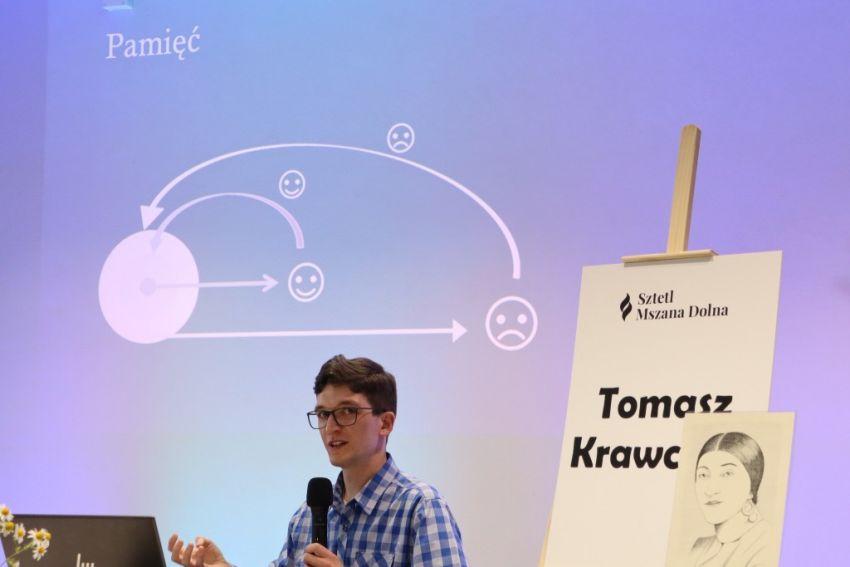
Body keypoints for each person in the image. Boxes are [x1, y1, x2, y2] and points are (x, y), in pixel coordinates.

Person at [168, 355, 468, 567]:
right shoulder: (307, 516)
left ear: (386, 423)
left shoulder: (420, 507)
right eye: (323, 414)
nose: (331, 427)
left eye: (347, 411)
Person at [688, 431, 770, 567]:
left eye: (727, 474)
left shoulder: (767, 545)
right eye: (703, 475)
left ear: (751, 486)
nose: (711, 490)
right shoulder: (699, 548)